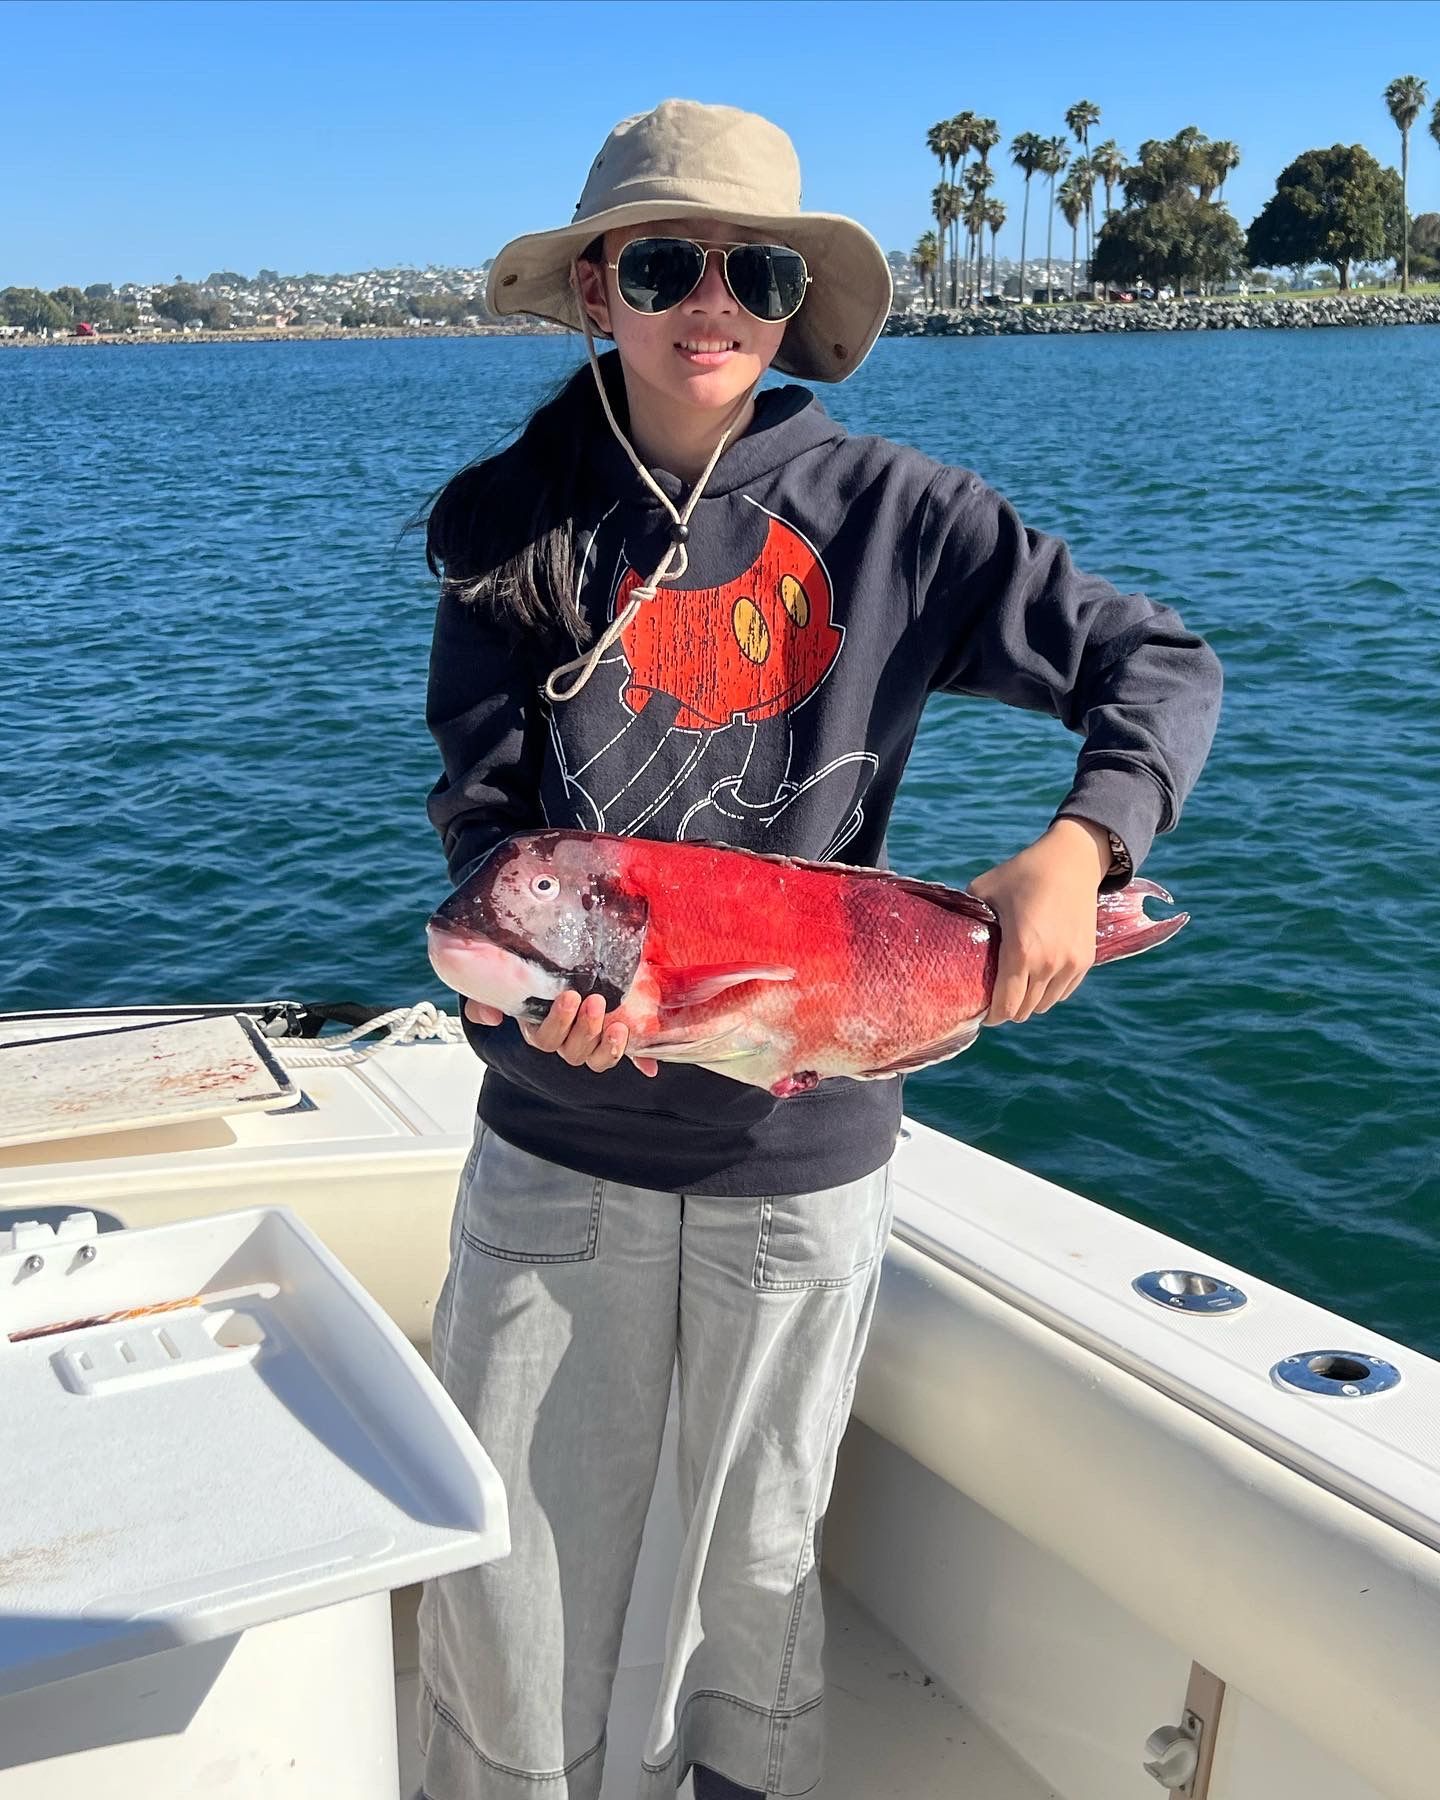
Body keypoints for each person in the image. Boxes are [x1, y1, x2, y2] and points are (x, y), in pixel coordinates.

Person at [416, 99, 1222, 1800]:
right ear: (594, 293)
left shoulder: (898, 513)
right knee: (518, 1579)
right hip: (556, 1152)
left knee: (754, 1574)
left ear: (791, 306)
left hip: (803, 1159)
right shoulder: (503, 524)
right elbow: (485, 826)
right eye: (661, 263)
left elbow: (1157, 665)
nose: (709, 302)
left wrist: (1080, 854)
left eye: (755, 271)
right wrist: (543, 981)